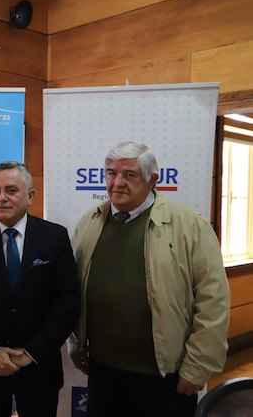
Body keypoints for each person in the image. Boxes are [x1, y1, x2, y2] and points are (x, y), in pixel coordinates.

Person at [69, 141, 230, 417]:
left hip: (164, 377)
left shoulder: (189, 226)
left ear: (152, 179)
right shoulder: (90, 222)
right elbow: (73, 290)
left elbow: (213, 301)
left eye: (129, 175)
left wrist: (197, 368)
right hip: (103, 371)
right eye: (110, 173)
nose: (117, 182)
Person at [0, 161, 80, 417]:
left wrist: (31, 352)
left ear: (30, 196)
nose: (2, 198)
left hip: (39, 367)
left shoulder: (54, 237)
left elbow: (68, 302)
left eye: (11, 190)